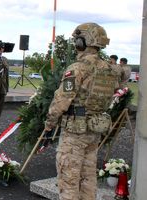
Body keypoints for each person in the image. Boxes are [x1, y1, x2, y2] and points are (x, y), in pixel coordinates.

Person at [44, 23, 120, 200]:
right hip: (94, 130)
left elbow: (61, 101)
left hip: (75, 132)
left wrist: (49, 124)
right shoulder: (109, 69)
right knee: (88, 178)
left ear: (82, 42)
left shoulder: (77, 68)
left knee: (69, 179)